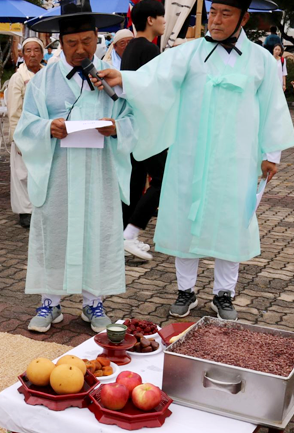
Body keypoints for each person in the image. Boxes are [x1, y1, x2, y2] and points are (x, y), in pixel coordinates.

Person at [93, 0, 294, 320]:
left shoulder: (261, 61)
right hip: (190, 154)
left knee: (232, 222)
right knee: (185, 220)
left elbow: (273, 106)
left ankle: (223, 294)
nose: (215, 20)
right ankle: (185, 290)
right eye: (213, 12)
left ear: (243, 18)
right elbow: (153, 80)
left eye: (225, 14)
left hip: (238, 157)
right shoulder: (187, 53)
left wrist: (272, 154)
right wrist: (122, 79)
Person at [15, 3, 134, 334]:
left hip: (99, 173)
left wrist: (117, 128)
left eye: (87, 40)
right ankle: (49, 302)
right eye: (72, 43)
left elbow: (135, 119)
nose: (81, 49)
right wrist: (46, 128)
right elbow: (24, 127)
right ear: (60, 43)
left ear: (98, 38)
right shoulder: (43, 82)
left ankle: (93, 301)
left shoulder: (113, 79)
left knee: (97, 232)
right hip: (59, 174)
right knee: (54, 234)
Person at [120, 0, 167, 262]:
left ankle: (124, 238)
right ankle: (130, 234)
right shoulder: (148, 50)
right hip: (148, 127)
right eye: (161, 17)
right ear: (150, 20)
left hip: (133, 125)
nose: (164, 21)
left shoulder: (131, 48)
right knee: (164, 180)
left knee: (135, 182)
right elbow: (158, 92)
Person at [7, 37, 44, 229]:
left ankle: (40, 208)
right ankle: (25, 211)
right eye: (28, 50)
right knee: (22, 174)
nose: (32, 54)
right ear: (22, 54)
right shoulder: (18, 77)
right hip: (25, 132)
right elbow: (14, 110)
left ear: (42, 53)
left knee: (41, 172)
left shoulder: (48, 74)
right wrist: (17, 137)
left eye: (36, 50)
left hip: (44, 132)